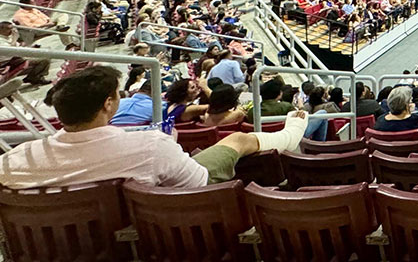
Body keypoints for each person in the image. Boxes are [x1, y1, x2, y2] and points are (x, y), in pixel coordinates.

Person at [0, 66, 309, 190]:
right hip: (158, 202)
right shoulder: (149, 146)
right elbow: (197, 183)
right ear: (109, 103)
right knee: (239, 139)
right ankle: (294, 130)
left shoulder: (14, 160)